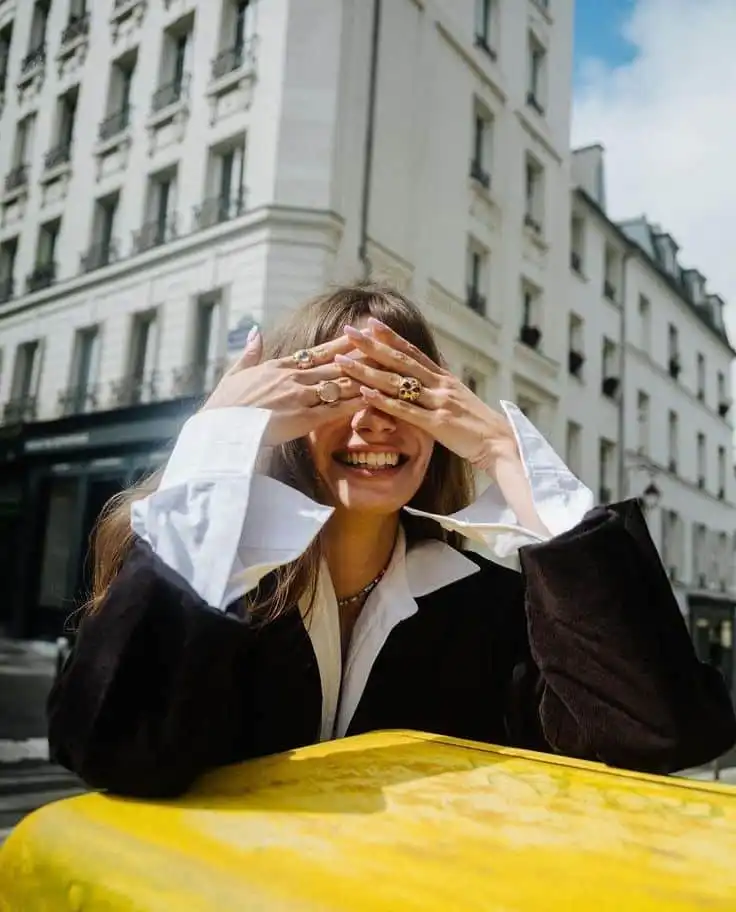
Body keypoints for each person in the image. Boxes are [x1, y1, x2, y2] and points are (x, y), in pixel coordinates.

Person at [48, 283, 736, 798]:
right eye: (338, 391)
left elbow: (662, 733)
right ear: (280, 416)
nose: (373, 422)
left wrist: (506, 455)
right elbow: (114, 750)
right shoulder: (210, 578)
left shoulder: (489, 605)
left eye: (403, 391)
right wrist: (214, 448)